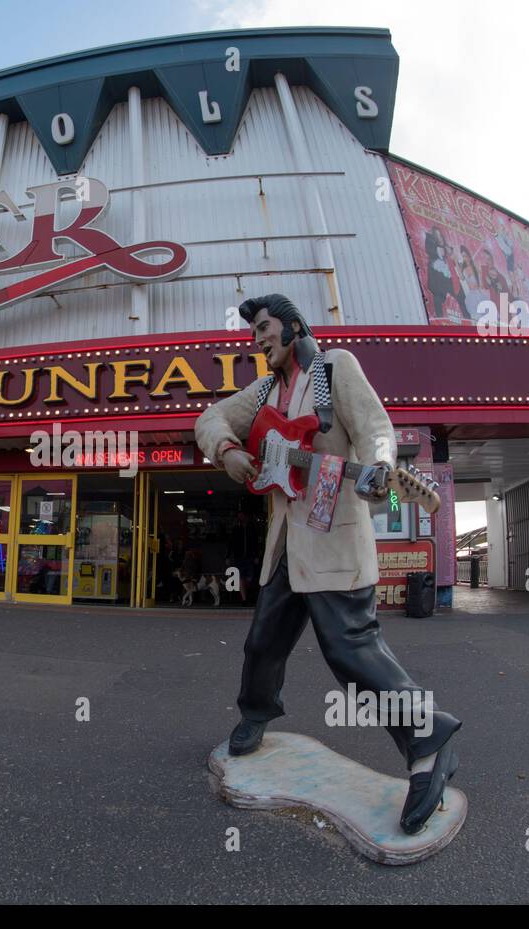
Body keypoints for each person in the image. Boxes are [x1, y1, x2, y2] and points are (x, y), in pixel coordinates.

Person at [195, 293, 461, 835]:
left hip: (334, 541)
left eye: (265, 329)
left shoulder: (333, 367)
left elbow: (375, 429)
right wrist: (227, 451)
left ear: (293, 326)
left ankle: (426, 742)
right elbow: (212, 416)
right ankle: (257, 712)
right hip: (286, 543)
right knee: (263, 641)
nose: (258, 340)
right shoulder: (265, 389)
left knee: (350, 652)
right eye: (252, 336)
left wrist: (383, 468)